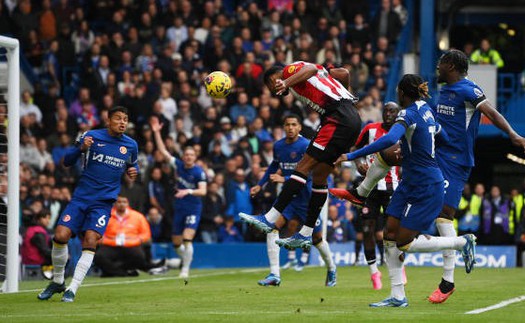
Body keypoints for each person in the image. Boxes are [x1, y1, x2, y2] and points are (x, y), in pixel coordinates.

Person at [330, 49, 525, 303]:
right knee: (389, 164)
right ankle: (361, 195)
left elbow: (492, 113)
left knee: (443, 215)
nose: (437, 66)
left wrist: (513, 135)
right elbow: (437, 127)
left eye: (442, 62)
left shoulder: (468, 89)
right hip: (434, 154)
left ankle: (448, 279)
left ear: (452, 66)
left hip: (455, 161)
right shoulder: (439, 95)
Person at [335, 74, 476, 307]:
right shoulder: (427, 110)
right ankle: (398, 296)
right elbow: (444, 136)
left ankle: (461, 243)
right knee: (389, 235)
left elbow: (389, 138)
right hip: (409, 183)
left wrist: (351, 155)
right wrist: (416, 150)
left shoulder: (407, 113)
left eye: (398, 92)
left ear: (402, 92)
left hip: (425, 186)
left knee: (403, 242)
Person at [239, 61, 361, 251]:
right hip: (350, 117)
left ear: (277, 76)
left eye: (272, 83)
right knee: (320, 176)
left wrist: (286, 82)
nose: (274, 89)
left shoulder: (290, 71)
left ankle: (270, 218)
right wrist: (342, 93)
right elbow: (344, 73)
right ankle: (305, 233)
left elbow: (311, 69)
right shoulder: (314, 78)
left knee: (302, 167)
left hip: (337, 118)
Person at [38, 106, 139, 302]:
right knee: (60, 236)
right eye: (118, 118)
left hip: (103, 202)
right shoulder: (90, 136)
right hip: (81, 198)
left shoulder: (131, 145)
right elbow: (66, 162)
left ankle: (72, 289)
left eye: (125, 119)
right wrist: (81, 148)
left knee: (91, 240)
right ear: (108, 120)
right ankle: (58, 281)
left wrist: (133, 171)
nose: (122, 122)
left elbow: (133, 165)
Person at [247, 114, 337, 287]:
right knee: (271, 228)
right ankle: (274, 274)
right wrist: (260, 185)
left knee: (317, 239)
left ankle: (332, 268)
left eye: (294, 124)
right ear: (283, 127)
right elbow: (274, 166)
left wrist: (286, 178)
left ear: (299, 127)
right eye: (287, 124)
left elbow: (312, 171)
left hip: (307, 198)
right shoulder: (279, 146)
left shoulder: (306, 145)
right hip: (289, 199)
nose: (290, 128)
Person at [333, 102, 401, 290]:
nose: (388, 114)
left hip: (391, 188)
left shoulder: (402, 133)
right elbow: (356, 149)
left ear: (398, 114)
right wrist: (358, 164)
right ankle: (374, 272)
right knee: (366, 228)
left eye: (392, 111)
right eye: (386, 111)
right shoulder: (371, 129)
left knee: (391, 231)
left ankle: (397, 267)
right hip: (368, 187)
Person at [150, 117, 207, 279]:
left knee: (187, 238)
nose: (188, 157)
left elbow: (203, 191)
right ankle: (186, 257)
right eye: (186, 154)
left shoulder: (199, 172)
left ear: (195, 157)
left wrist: (187, 192)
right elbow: (163, 151)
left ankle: (185, 269)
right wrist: (156, 133)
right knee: (177, 243)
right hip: (179, 208)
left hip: (193, 208)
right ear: (183, 157)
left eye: (191, 155)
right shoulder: (179, 165)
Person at [94, 195, 166, 277]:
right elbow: (98, 234)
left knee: (139, 256)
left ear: (128, 203)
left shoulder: (138, 216)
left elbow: (146, 234)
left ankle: (114, 272)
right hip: (111, 245)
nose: (122, 204)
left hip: (131, 244)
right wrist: (110, 241)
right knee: (99, 256)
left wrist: (137, 240)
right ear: (114, 204)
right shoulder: (106, 216)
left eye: (124, 202)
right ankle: (123, 273)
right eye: (119, 202)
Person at [21, 211, 53, 279]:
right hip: (36, 265)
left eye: (49, 218)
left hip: (28, 263)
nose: (47, 221)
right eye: (44, 218)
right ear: (38, 219)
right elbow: (44, 250)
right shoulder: (38, 232)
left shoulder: (30, 229)